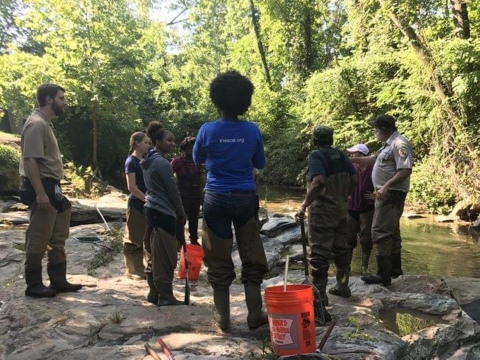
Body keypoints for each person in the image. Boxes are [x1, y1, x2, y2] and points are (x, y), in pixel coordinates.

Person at [193, 70, 268, 331]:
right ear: (244, 101)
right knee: (251, 253)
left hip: (214, 198)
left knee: (217, 256)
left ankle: (223, 319)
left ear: (217, 100)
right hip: (245, 198)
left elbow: (197, 159)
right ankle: (254, 315)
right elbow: (259, 162)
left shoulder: (206, 130)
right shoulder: (252, 130)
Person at [18, 83, 82, 298]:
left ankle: (58, 280)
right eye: (61, 98)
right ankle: (34, 285)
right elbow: (30, 161)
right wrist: (40, 193)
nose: (64, 102)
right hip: (42, 185)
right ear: (48, 99)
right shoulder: (36, 124)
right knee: (38, 236)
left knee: (58, 233)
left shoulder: (46, 123)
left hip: (52, 185)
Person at [294, 125, 358, 321]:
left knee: (319, 253)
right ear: (331, 139)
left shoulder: (316, 156)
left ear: (315, 141)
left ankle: (320, 295)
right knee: (341, 247)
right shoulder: (340, 155)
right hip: (341, 209)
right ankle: (343, 285)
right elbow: (355, 177)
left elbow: (319, 181)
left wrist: (304, 205)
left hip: (323, 211)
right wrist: (345, 195)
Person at [349, 114, 413, 286]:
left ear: (384, 129)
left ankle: (382, 275)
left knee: (379, 231)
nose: (374, 131)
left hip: (391, 194)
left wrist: (385, 186)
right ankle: (394, 271)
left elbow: (405, 170)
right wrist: (351, 160)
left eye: (376, 128)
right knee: (392, 232)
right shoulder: (387, 145)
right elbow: (371, 160)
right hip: (385, 194)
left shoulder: (400, 144)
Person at [141, 121, 186, 306]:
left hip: (151, 209)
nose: (173, 144)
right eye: (169, 140)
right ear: (157, 142)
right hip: (163, 211)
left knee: (153, 252)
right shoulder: (162, 163)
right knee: (165, 255)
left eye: (174, 141)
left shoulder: (148, 159)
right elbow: (173, 191)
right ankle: (166, 296)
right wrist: (181, 213)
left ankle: (153, 293)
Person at [123, 132, 151, 280]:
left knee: (146, 237)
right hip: (136, 204)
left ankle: (143, 267)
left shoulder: (145, 160)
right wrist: (146, 199)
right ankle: (133, 270)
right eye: (146, 142)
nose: (148, 145)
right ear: (137, 143)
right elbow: (131, 186)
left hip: (147, 204)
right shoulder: (131, 161)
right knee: (133, 238)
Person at [345, 144, 375, 276]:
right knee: (348, 239)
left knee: (366, 239)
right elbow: (343, 181)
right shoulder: (351, 167)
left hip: (367, 207)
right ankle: (347, 267)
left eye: (354, 153)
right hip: (351, 207)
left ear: (363, 155)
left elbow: (384, 181)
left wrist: (376, 195)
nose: (351, 155)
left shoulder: (374, 167)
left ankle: (364, 268)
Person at [171, 136, 203, 247]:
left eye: (194, 148)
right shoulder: (177, 162)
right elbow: (168, 176)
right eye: (190, 148)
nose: (192, 150)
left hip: (196, 195)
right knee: (180, 218)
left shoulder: (198, 161)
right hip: (182, 195)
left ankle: (194, 240)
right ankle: (179, 241)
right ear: (184, 149)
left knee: (194, 219)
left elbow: (202, 178)